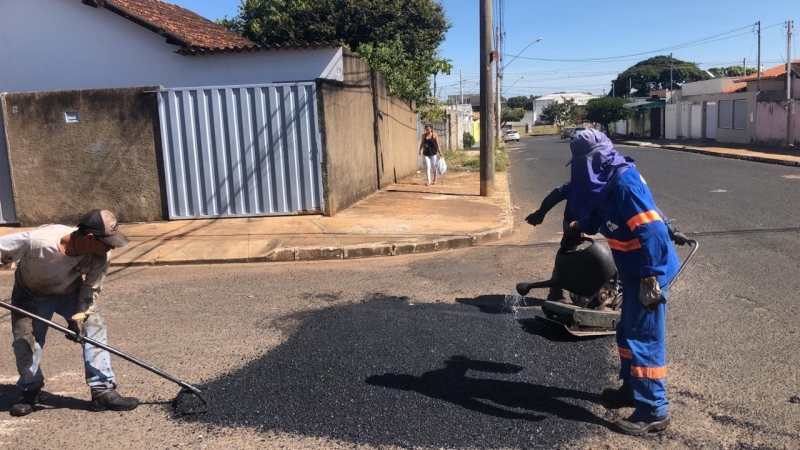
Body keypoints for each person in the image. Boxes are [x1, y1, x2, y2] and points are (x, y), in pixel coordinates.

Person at [560, 129, 683, 436]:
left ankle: (654, 410)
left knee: (645, 337)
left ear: (593, 160)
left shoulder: (624, 183)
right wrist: (578, 226)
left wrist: (650, 279)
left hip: (647, 274)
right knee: (627, 331)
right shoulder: (607, 181)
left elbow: (652, 231)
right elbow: (602, 215)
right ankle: (632, 388)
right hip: (633, 273)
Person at [0, 209, 139, 417]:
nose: (111, 247)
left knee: (94, 329)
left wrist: (80, 316)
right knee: (25, 343)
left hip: (71, 294)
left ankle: (102, 390)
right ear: (90, 238)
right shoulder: (38, 240)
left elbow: (91, 288)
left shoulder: (100, 256)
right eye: (108, 242)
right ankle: (30, 389)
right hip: (30, 294)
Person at [525, 182, 688, 302]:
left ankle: (619, 284)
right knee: (567, 253)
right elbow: (556, 194)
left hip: (601, 220)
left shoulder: (618, 187)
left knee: (619, 245)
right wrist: (540, 213)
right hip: (575, 221)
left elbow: (649, 211)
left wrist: (671, 230)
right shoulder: (576, 185)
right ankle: (555, 291)